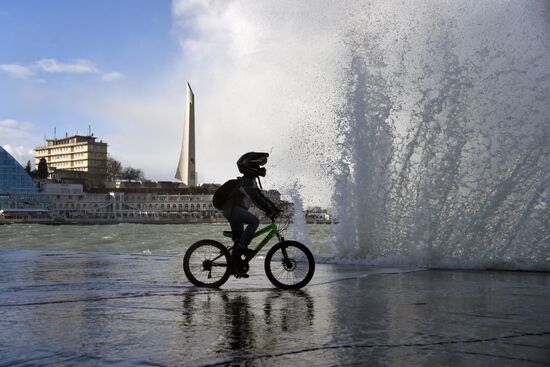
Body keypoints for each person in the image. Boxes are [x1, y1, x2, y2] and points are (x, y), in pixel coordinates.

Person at [221, 152, 279, 257]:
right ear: (250, 166)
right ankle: (241, 247)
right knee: (254, 222)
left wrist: (273, 207)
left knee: (238, 240)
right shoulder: (247, 181)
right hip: (233, 210)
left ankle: (236, 266)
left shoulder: (249, 180)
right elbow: (256, 199)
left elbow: (260, 196)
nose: (259, 168)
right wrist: (269, 210)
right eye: (257, 165)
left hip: (231, 210)